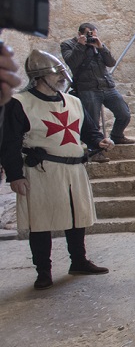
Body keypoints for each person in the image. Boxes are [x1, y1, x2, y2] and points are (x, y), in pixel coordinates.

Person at [0, 50, 113, 290]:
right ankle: (43, 271)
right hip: (42, 171)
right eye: (57, 74)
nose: (62, 77)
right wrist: (15, 176)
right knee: (41, 221)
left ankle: (79, 261)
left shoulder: (73, 101)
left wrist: (99, 141)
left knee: (76, 217)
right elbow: (9, 143)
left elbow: (87, 131)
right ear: (39, 76)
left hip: (74, 169)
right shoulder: (20, 104)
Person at [60, 22, 135, 153]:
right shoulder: (68, 45)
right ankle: (95, 149)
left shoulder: (96, 44)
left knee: (124, 114)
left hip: (107, 86)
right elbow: (72, 62)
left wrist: (101, 47)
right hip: (87, 88)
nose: (91, 37)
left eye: (93, 34)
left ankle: (117, 136)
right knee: (93, 122)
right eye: (88, 34)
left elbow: (111, 62)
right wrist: (80, 45)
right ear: (80, 34)